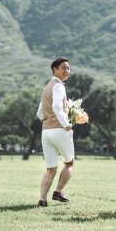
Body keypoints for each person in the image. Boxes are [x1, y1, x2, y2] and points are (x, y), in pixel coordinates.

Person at [36, 57, 74, 207]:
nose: (67, 71)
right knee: (69, 163)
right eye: (63, 68)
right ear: (55, 69)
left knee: (50, 169)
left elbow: (40, 113)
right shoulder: (58, 86)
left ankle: (42, 200)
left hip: (46, 132)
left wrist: (48, 120)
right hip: (59, 129)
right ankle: (58, 192)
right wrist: (66, 124)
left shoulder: (47, 87)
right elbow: (58, 107)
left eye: (68, 68)